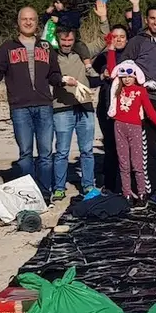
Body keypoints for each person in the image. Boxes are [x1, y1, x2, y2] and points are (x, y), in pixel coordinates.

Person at [0, 7, 69, 197]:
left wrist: (61, 80)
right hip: (20, 108)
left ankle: (44, 192)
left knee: (45, 153)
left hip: (44, 105)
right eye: (24, 19)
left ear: (37, 22)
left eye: (32, 19)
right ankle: (30, 193)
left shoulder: (45, 46)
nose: (28, 22)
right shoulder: (7, 48)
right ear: (18, 22)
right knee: (25, 154)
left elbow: (53, 74)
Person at [121, 4, 156, 206]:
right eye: (152, 18)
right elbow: (124, 67)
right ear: (147, 19)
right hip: (147, 100)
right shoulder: (137, 42)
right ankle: (151, 189)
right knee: (149, 148)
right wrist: (141, 82)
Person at [91, 0, 142, 194]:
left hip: (129, 110)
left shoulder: (132, 54)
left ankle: (131, 186)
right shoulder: (105, 56)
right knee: (111, 147)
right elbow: (95, 73)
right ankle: (111, 185)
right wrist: (104, 18)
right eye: (116, 36)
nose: (119, 39)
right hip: (107, 106)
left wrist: (136, 8)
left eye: (122, 36)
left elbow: (138, 32)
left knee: (132, 149)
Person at [108, 60, 156, 209]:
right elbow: (112, 69)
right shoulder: (117, 88)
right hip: (119, 126)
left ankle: (142, 193)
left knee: (137, 163)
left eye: (130, 76)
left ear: (136, 76)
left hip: (135, 128)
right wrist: (111, 49)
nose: (127, 79)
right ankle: (127, 194)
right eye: (124, 76)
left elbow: (150, 112)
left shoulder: (140, 91)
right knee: (124, 163)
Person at [51, 27, 99, 202]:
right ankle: (58, 187)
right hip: (61, 108)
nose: (66, 44)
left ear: (74, 39)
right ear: (57, 39)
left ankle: (88, 185)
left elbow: (103, 39)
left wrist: (102, 19)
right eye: (63, 40)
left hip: (85, 106)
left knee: (87, 150)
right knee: (62, 151)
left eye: (70, 40)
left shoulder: (83, 51)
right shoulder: (51, 56)